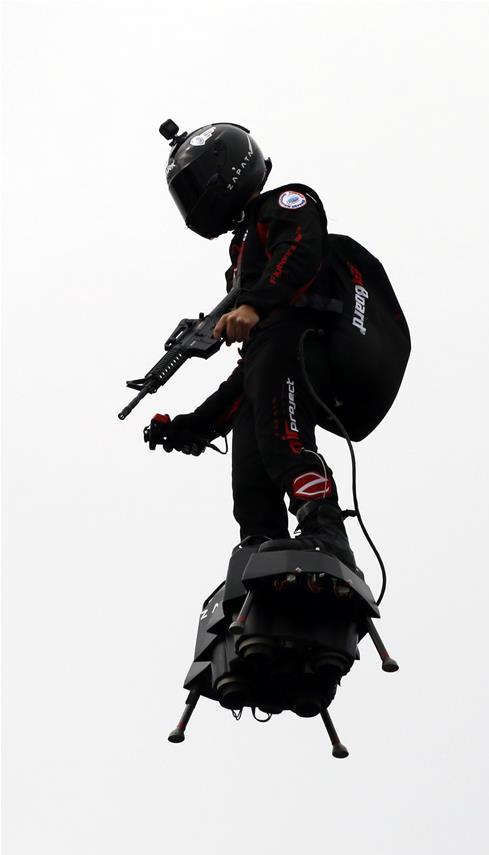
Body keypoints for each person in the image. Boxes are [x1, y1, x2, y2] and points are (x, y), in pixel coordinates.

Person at [149, 120, 411, 571]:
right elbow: (249, 375)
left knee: (275, 411)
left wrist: (253, 305)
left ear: (225, 171)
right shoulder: (240, 255)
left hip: (310, 340)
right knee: (254, 422)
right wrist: (194, 426)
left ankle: (323, 526)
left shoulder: (285, 203)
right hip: (276, 354)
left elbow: (300, 251)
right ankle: (261, 542)